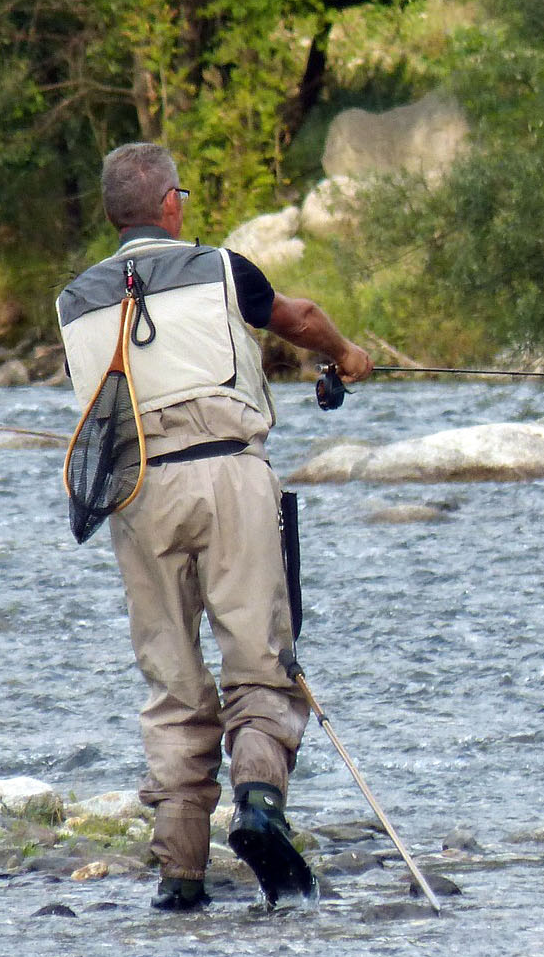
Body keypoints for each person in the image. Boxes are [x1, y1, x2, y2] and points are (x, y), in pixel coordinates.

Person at [56, 142, 372, 911]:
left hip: (133, 495)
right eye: (182, 195)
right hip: (229, 471)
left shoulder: (73, 300)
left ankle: (180, 873)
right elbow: (298, 318)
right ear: (169, 203)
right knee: (258, 656)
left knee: (172, 680)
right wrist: (344, 354)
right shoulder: (221, 266)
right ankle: (260, 802)